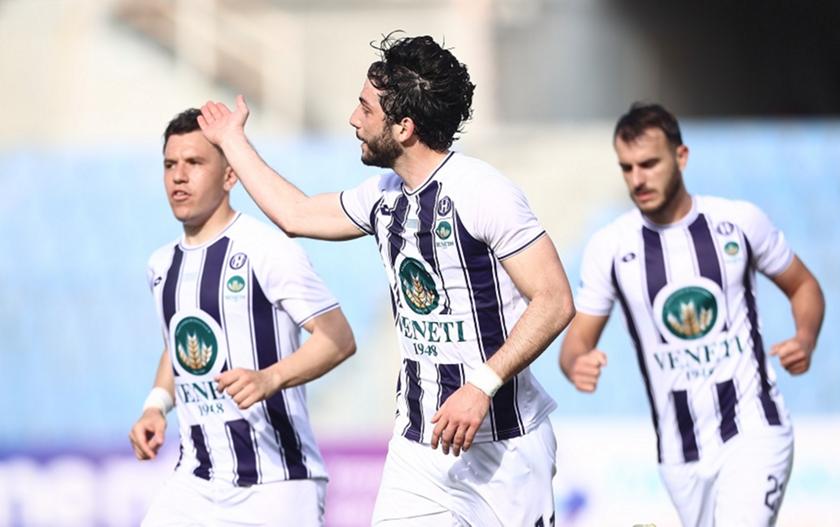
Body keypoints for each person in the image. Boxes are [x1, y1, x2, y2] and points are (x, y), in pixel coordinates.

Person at [196, 34, 574, 526]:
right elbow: (295, 214)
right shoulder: (383, 195)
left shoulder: (483, 192)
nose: (353, 119)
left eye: (365, 108)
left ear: (404, 127)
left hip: (505, 449)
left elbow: (554, 300)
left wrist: (481, 386)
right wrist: (232, 140)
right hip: (418, 449)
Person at [560, 103, 825, 526]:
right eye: (627, 168)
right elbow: (575, 343)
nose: (637, 179)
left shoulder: (738, 222)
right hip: (679, 455)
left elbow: (804, 285)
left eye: (649, 164)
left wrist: (805, 338)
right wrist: (577, 364)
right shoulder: (610, 247)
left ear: (681, 157)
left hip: (754, 429)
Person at [128, 108, 356, 526]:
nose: (179, 176)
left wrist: (270, 378)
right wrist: (156, 406)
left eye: (194, 163)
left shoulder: (267, 250)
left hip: (277, 483)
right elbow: (177, 344)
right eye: (170, 164)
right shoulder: (161, 265)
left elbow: (337, 338)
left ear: (230, 176)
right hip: (195, 482)